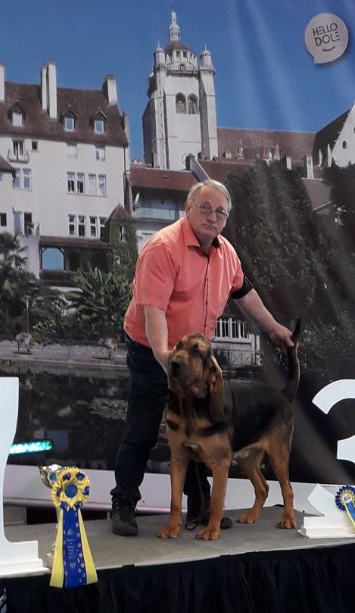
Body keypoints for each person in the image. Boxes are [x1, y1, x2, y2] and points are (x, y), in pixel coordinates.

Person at [111, 178, 297, 537]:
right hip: (154, 351)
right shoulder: (162, 248)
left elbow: (244, 293)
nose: (213, 217)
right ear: (188, 209)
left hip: (195, 360)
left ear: (226, 219)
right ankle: (124, 502)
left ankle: (200, 509)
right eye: (205, 208)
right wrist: (168, 360)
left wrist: (275, 330)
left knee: (201, 430)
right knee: (143, 428)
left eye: (221, 212)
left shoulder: (226, 252)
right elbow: (154, 313)